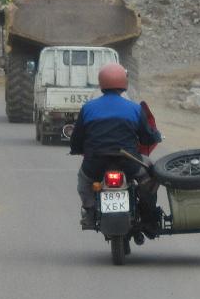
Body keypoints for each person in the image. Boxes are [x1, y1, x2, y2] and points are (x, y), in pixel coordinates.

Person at [69, 63, 162, 231]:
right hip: (129, 162)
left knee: (83, 182)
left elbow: (77, 138)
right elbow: (147, 137)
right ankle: (148, 216)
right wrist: (155, 136)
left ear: (101, 83)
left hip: (95, 163)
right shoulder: (134, 109)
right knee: (150, 177)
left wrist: (76, 149)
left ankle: (90, 213)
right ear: (124, 83)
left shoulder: (88, 108)